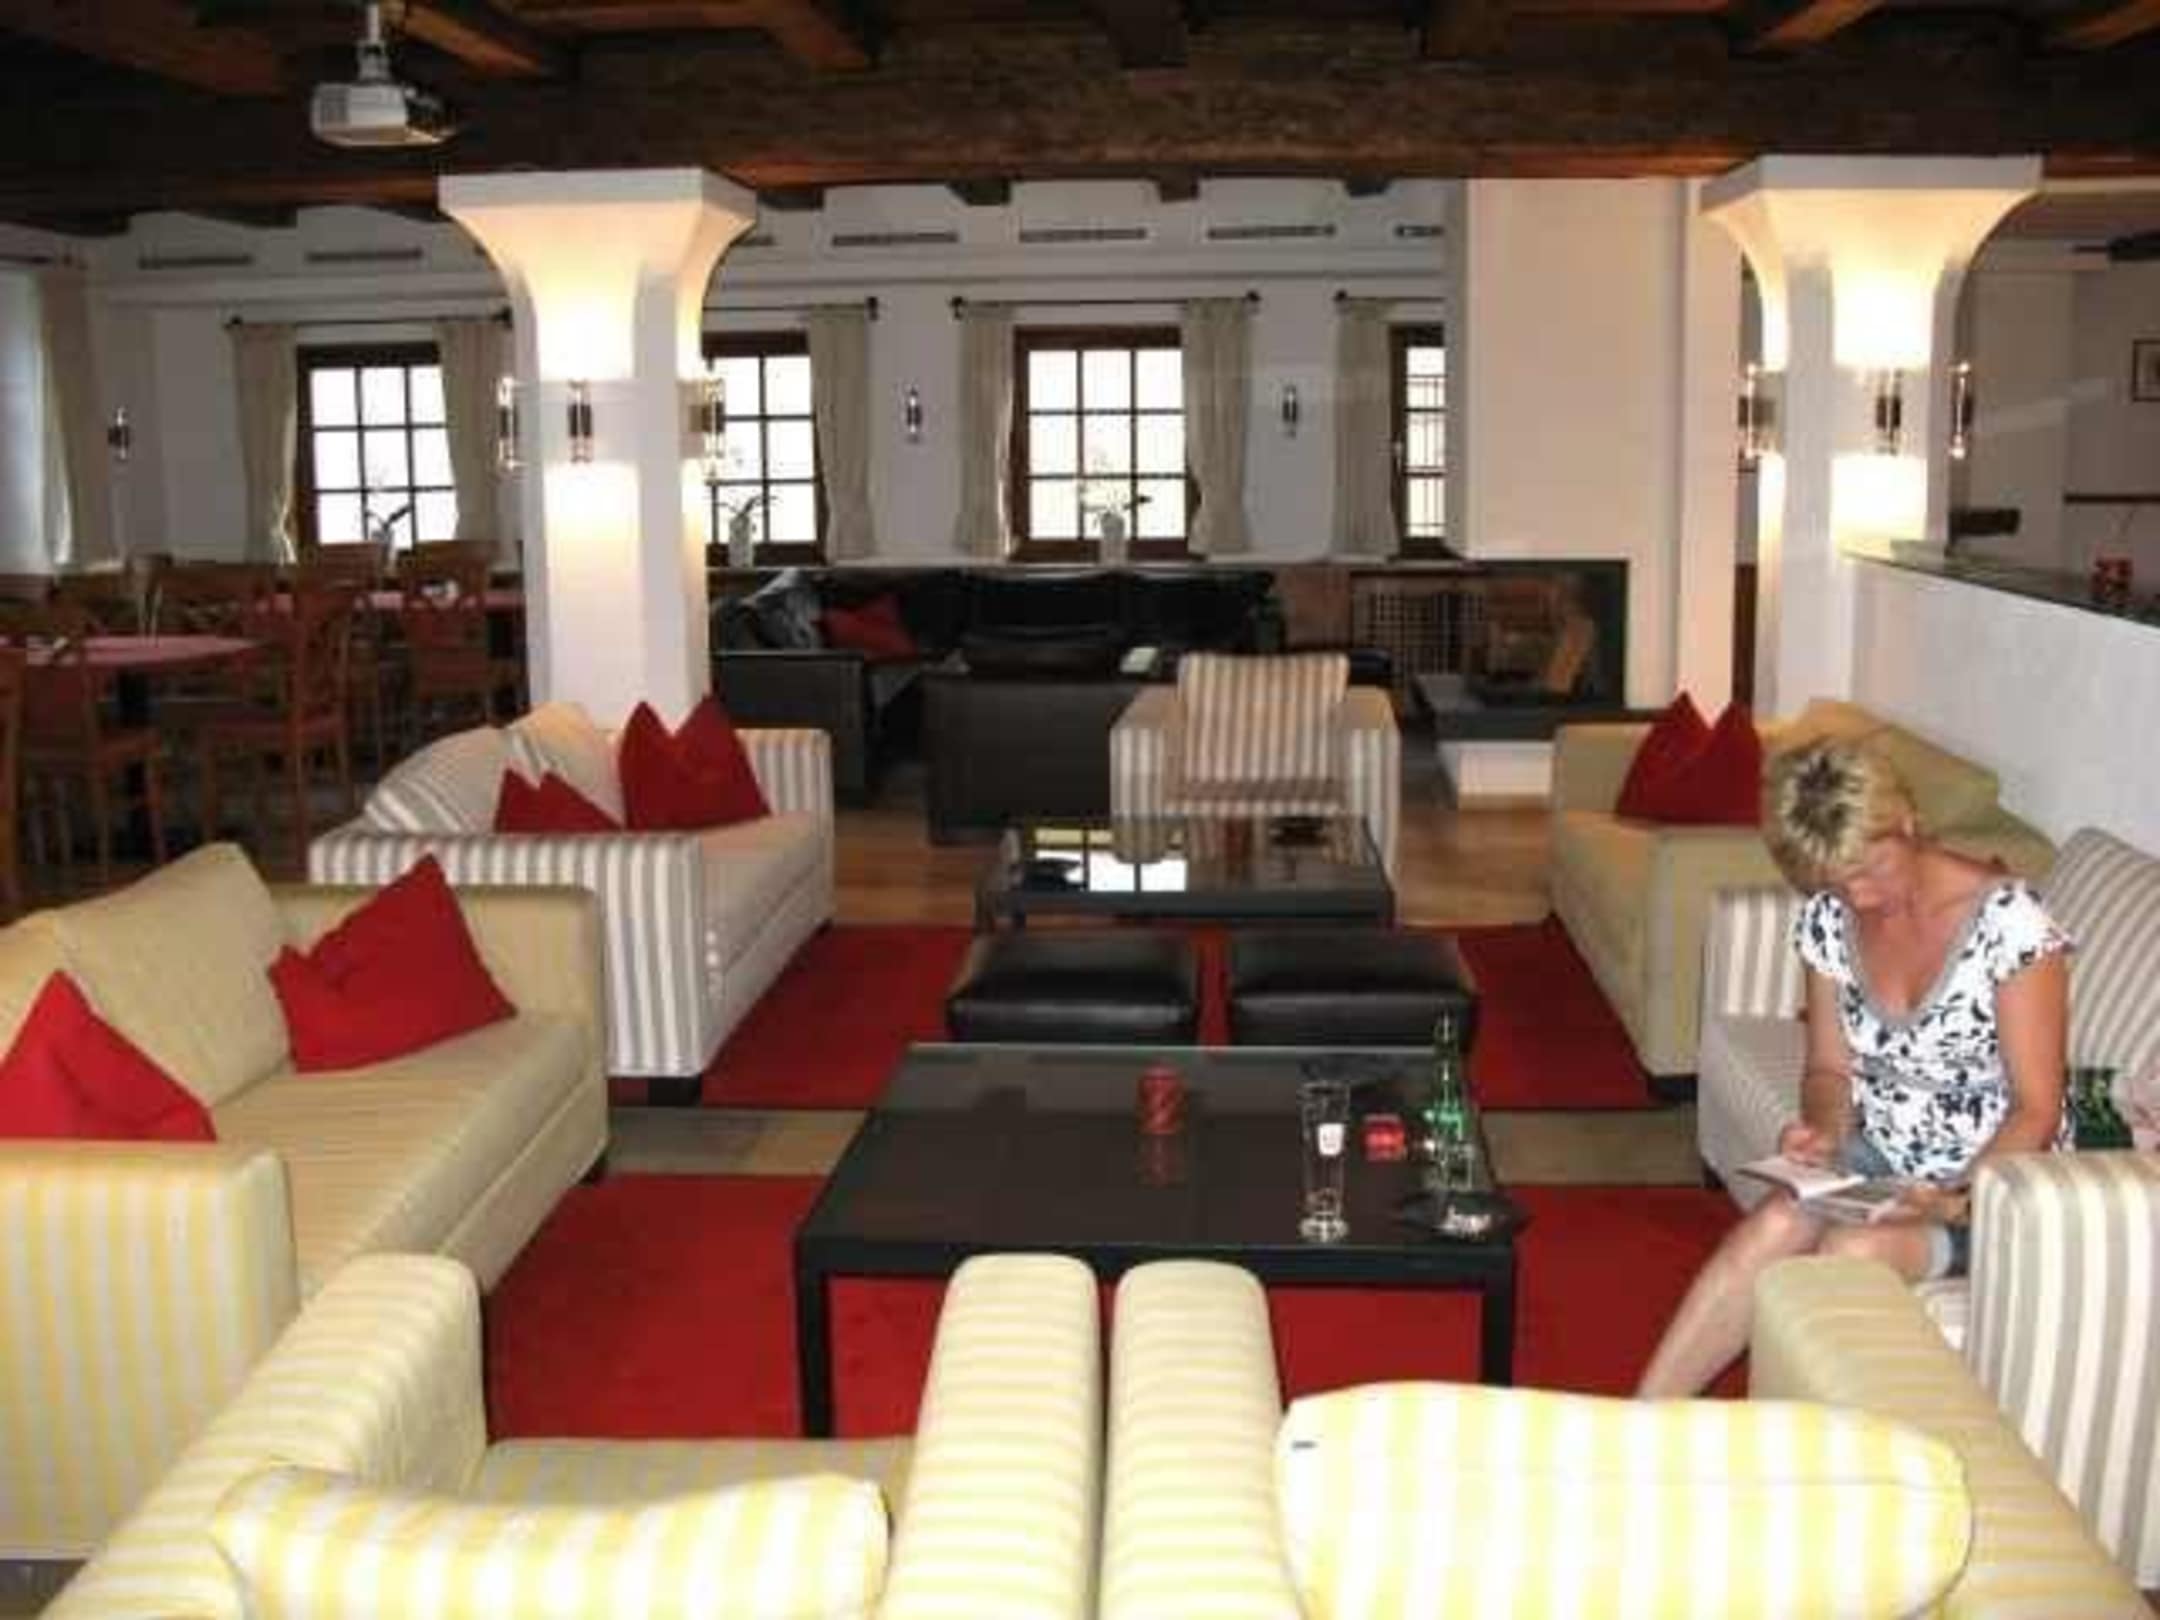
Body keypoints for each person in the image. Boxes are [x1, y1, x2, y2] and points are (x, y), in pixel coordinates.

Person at [1637, 739, 2071, 1397]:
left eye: (1870, 869)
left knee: (1850, 1249)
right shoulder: (1830, 917)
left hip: (1996, 1187)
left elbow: (2036, 1109)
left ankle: (1805, 1444)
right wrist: (1823, 1129)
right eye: (1837, 883)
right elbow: (1829, 1072)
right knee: (1778, 1220)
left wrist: (1955, 1197)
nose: (1859, 896)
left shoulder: (2010, 923)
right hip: (1882, 1160)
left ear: (1908, 823)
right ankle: (1641, 1419)